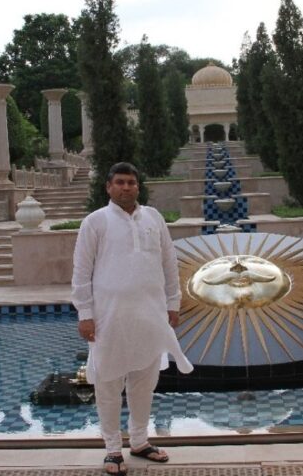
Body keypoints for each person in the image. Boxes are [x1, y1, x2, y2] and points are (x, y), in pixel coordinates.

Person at [71, 162, 193, 476]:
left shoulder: (153, 218)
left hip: (150, 316)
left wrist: (173, 303)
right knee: (109, 385)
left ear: (138, 187)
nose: (126, 187)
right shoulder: (95, 222)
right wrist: (85, 314)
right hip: (109, 319)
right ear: (108, 187)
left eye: (132, 183)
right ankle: (113, 450)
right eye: (120, 182)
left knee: (144, 383)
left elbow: (169, 263)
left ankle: (140, 441)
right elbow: (82, 273)